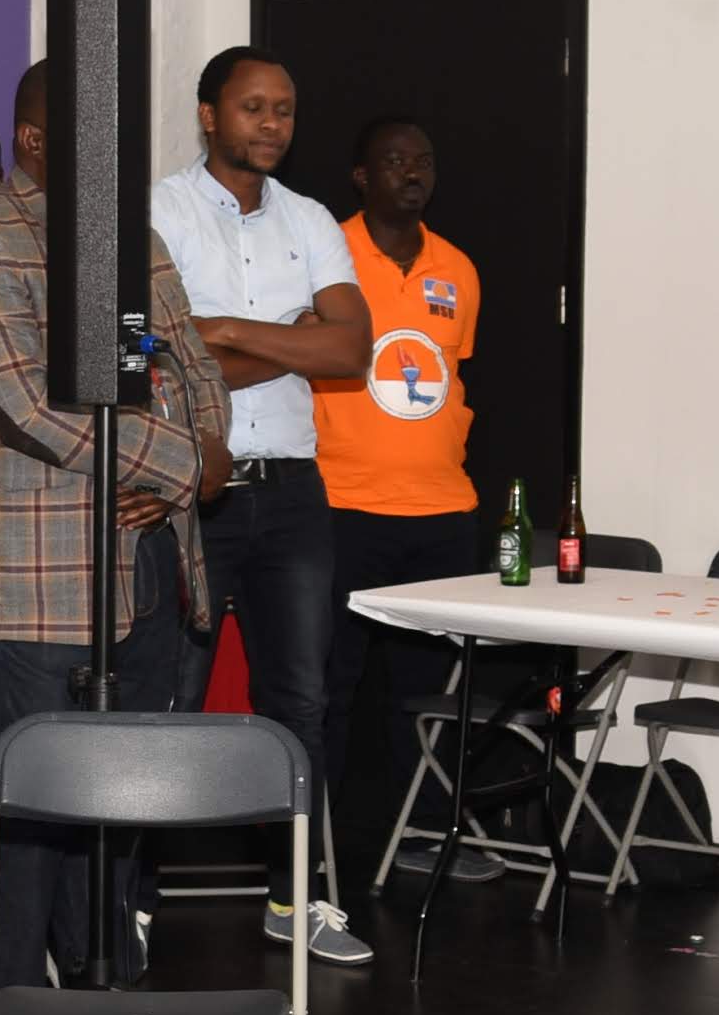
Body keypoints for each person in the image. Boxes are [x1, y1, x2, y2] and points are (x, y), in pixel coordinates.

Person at [0, 61, 228, 986]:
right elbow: (18, 403)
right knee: (37, 815)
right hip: (37, 578)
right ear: (33, 140)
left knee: (120, 802)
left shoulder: (131, 238)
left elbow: (193, 366)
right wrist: (181, 464)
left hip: (148, 558)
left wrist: (191, 464)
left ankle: (106, 998)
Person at [158, 47, 373, 966]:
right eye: (253, 108)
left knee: (301, 699)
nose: (271, 124)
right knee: (167, 697)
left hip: (289, 488)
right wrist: (292, 340)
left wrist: (226, 333)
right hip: (188, 489)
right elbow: (156, 358)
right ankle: (132, 901)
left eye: (283, 109)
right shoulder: (159, 211)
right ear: (209, 115)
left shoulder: (310, 218)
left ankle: (296, 898)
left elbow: (351, 350)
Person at [315, 117, 486, 893]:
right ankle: (321, 844)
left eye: (423, 161)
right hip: (343, 507)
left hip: (442, 513)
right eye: (393, 161)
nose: (411, 173)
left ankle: (414, 834)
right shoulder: (326, 254)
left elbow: (450, 375)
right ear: (361, 176)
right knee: (333, 686)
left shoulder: (458, 268)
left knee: (425, 697)